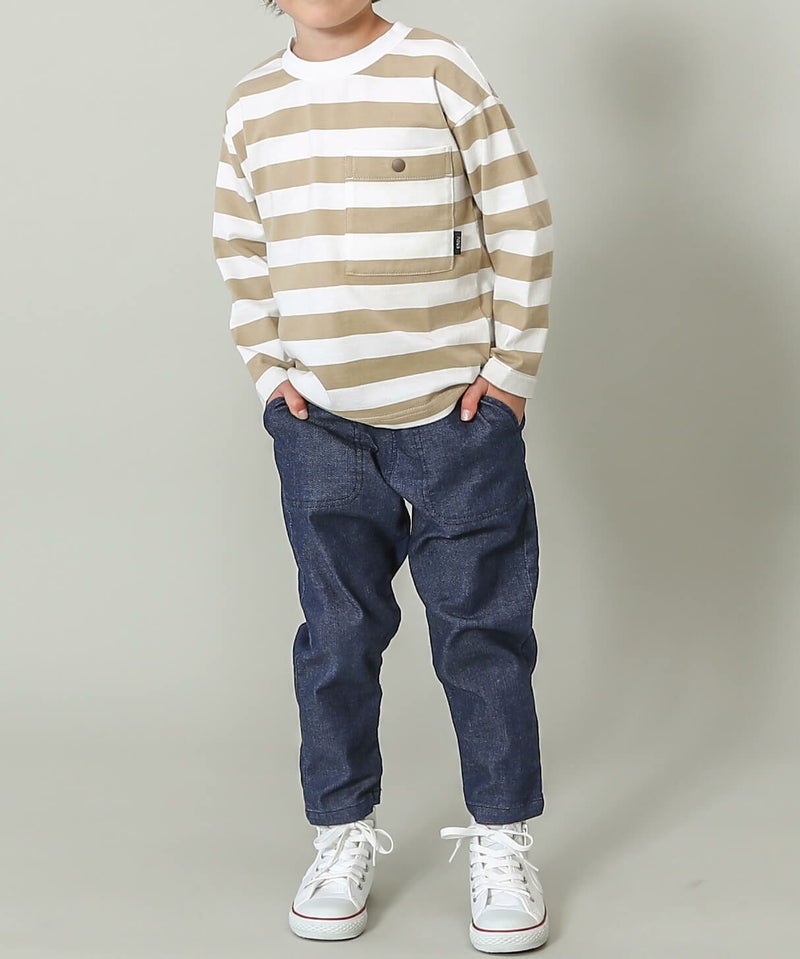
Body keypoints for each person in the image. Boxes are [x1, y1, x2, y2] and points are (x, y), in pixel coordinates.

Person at [212, 1, 554, 952]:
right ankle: (341, 831)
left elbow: (519, 215)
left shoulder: (440, 69)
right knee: (336, 637)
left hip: (458, 418)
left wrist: (511, 372)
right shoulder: (252, 104)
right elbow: (242, 250)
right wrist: (271, 376)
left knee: (482, 633)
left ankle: (501, 835)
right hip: (319, 423)